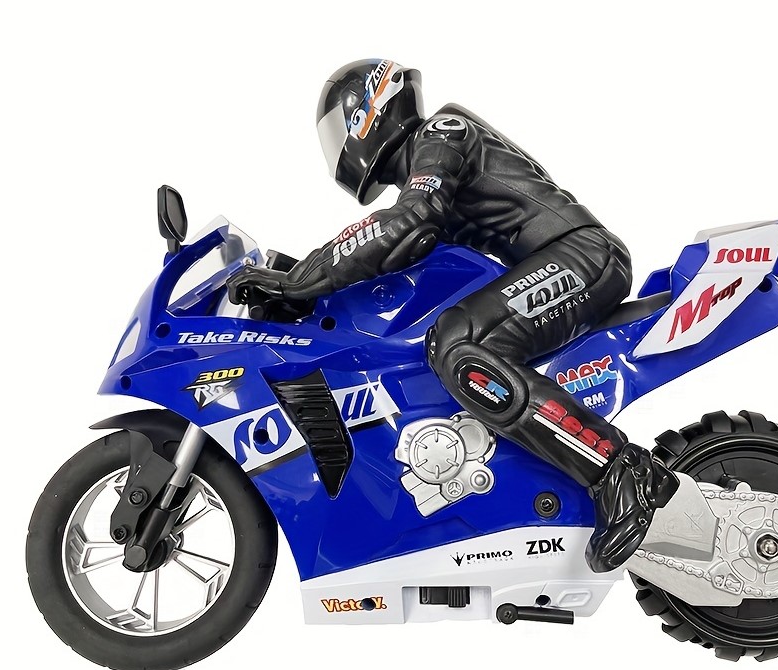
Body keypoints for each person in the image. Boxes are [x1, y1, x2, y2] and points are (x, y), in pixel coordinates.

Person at [227, 59, 679, 572]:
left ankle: (621, 470)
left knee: (461, 344)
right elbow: (390, 251)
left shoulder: (443, 133)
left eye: (339, 127)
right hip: (567, 261)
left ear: (371, 108)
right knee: (446, 342)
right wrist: (300, 286)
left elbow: (407, 222)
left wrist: (301, 279)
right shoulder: (427, 174)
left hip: (584, 257)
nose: (339, 146)